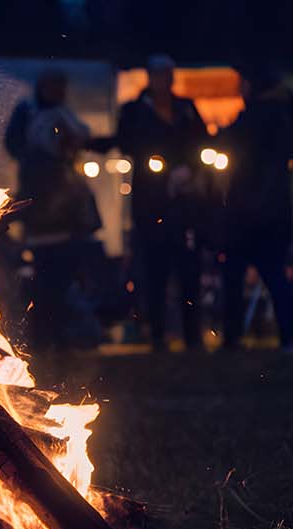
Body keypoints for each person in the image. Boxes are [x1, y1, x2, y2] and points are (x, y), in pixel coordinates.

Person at [110, 55, 213, 352]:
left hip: (185, 203)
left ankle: (192, 336)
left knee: (189, 269)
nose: (162, 80)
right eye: (157, 75)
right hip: (151, 203)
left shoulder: (185, 108)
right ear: (150, 77)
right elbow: (127, 142)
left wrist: (191, 169)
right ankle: (157, 335)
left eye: (166, 75)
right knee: (155, 270)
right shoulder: (135, 110)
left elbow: (200, 141)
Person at [5, 69, 104, 351]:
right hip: (42, 216)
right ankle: (42, 338)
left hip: (66, 219)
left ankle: (60, 338)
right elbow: (15, 145)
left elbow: (81, 138)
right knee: (43, 282)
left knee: (62, 282)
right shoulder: (29, 113)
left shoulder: (64, 116)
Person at [213, 63, 293, 351]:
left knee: (237, 275)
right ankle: (287, 336)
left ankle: (233, 338)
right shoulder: (283, 114)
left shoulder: (256, 118)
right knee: (274, 276)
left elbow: (230, 142)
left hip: (250, 212)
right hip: (274, 210)